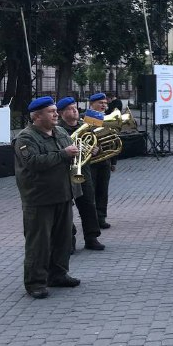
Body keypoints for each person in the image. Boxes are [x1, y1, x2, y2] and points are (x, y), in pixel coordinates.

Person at [15, 97, 81, 299]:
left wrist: (83, 152)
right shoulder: (26, 139)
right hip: (39, 198)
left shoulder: (60, 132)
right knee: (39, 243)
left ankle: (58, 274)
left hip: (63, 193)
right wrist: (63, 154)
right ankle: (35, 282)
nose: (55, 114)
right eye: (50, 111)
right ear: (37, 116)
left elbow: (72, 153)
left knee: (63, 240)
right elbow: (34, 162)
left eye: (55, 111)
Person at [57, 97, 104, 252]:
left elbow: (96, 146)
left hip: (84, 172)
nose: (75, 110)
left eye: (75, 107)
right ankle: (68, 239)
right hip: (65, 174)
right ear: (62, 113)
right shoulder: (58, 130)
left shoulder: (86, 127)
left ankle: (92, 237)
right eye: (70, 108)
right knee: (66, 209)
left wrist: (96, 151)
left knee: (89, 205)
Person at [87, 93, 116, 229]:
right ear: (91, 104)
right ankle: (92, 219)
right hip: (91, 162)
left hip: (105, 161)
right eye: (100, 103)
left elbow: (113, 140)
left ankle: (101, 217)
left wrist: (113, 162)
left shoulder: (107, 118)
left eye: (105, 103)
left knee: (103, 191)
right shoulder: (86, 119)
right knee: (91, 192)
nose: (104, 105)